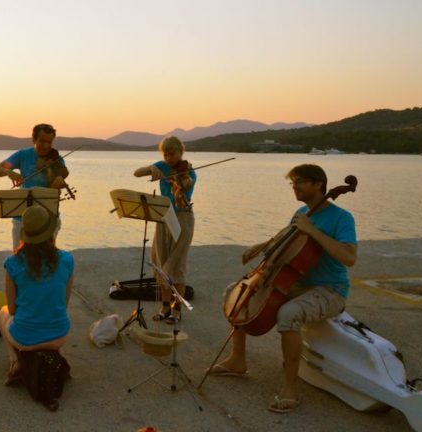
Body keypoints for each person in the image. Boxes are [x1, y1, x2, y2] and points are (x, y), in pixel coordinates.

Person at [209, 164, 357, 414]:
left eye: (300, 182)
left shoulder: (342, 217)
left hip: (329, 290)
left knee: (288, 313)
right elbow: (285, 239)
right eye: (293, 183)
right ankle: (237, 360)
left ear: (318, 184)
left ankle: (290, 387)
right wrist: (262, 246)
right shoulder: (300, 212)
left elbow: (349, 257)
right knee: (236, 294)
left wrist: (313, 231)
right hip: (295, 283)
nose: (294, 187)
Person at [0, 205, 74, 386]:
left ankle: (15, 361)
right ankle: (58, 353)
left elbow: (13, 309)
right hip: (60, 335)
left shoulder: (12, 263)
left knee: (2, 312)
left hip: (24, 339)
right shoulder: (67, 259)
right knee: (53, 310)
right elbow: (64, 302)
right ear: (50, 232)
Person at [133, 136, 196, 324]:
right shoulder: (163, 166)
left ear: (181, 152)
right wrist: (152, 169)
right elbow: (137, 173)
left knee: (176, 267)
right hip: (163, 218)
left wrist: (176, 186)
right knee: (161, 266)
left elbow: (180, 197)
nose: (169, 158)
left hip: (182, 219)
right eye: (165, 154)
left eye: (172, 154)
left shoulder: (189, 173)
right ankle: (165, 306)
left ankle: (177, 310)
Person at [0, 123, 69, 250]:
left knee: (47, 259)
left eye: (49, 142)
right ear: (33, 139)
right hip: (22, 217)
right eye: (42, 141)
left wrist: (55, 181)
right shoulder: (23, 155)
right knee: (19, 257)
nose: (46, 146)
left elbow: (54, 192)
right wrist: (8, 172)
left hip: (47, 219)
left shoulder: (56, 160)